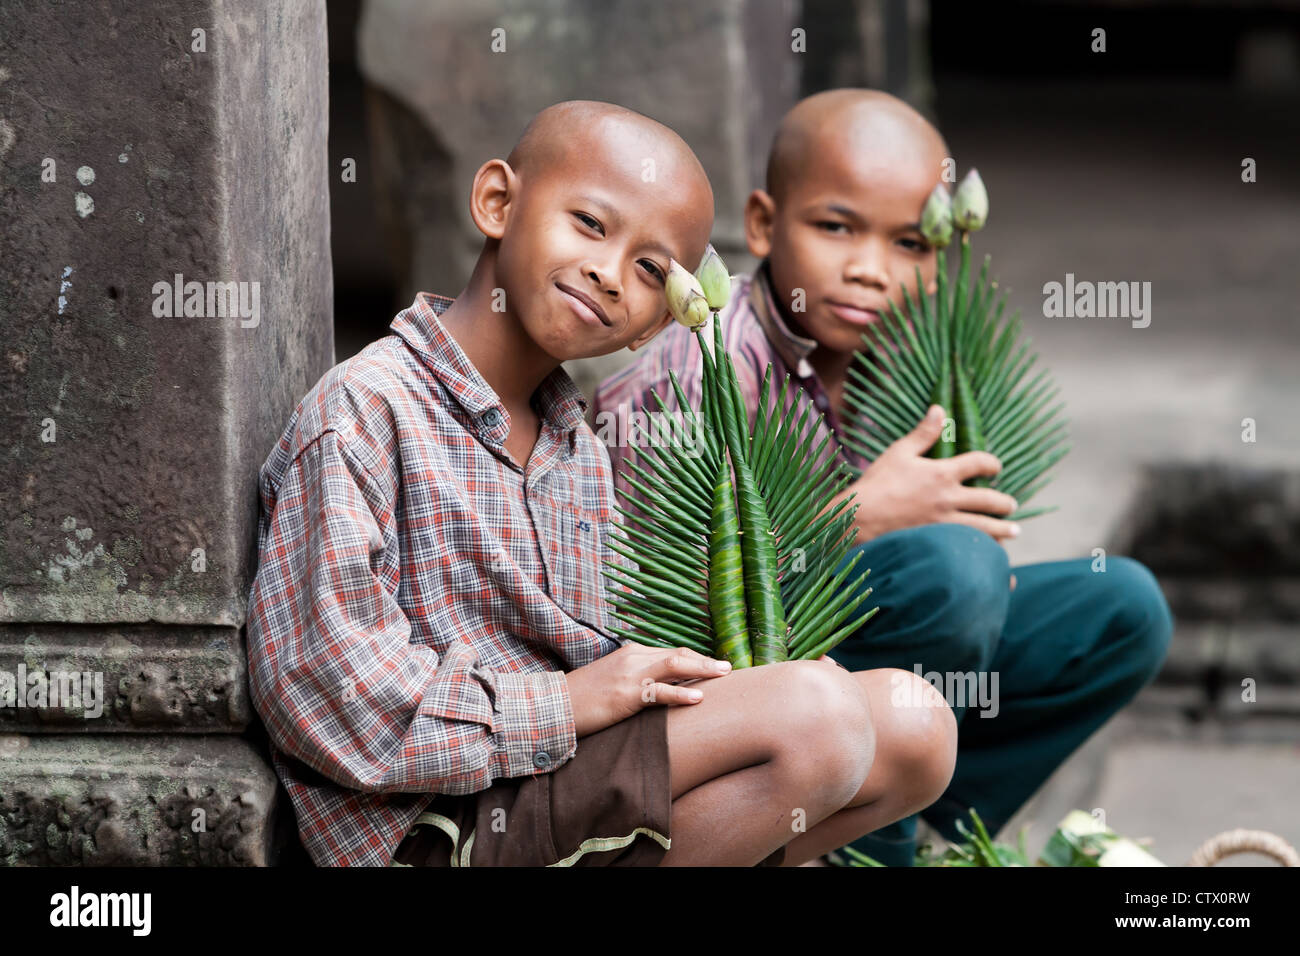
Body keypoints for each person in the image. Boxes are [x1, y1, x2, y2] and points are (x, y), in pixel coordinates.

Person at [245, 99, 957, 867]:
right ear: (497, 202)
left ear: (658, 320)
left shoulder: (579, 449)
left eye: (652, 269)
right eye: (589, 224)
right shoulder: (365, 411)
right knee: (818, 718)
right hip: (433, 825)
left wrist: (736, 674)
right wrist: (571, 702)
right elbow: (327, 695)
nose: (610, 274)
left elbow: (611, 656)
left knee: (914, 725)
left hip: (558, 779)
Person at [594, 89, 1173, 866]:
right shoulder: (701, 367)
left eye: (910, 244)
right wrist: (862, 516)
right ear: (764, 223)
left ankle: (915, 815)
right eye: (837, 228)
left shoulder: (908, 362)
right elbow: (639, 609)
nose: (870, 271)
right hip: (734, 691)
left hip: (878, 666)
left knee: (1121, 607)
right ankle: (865, 844)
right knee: (952, 573)